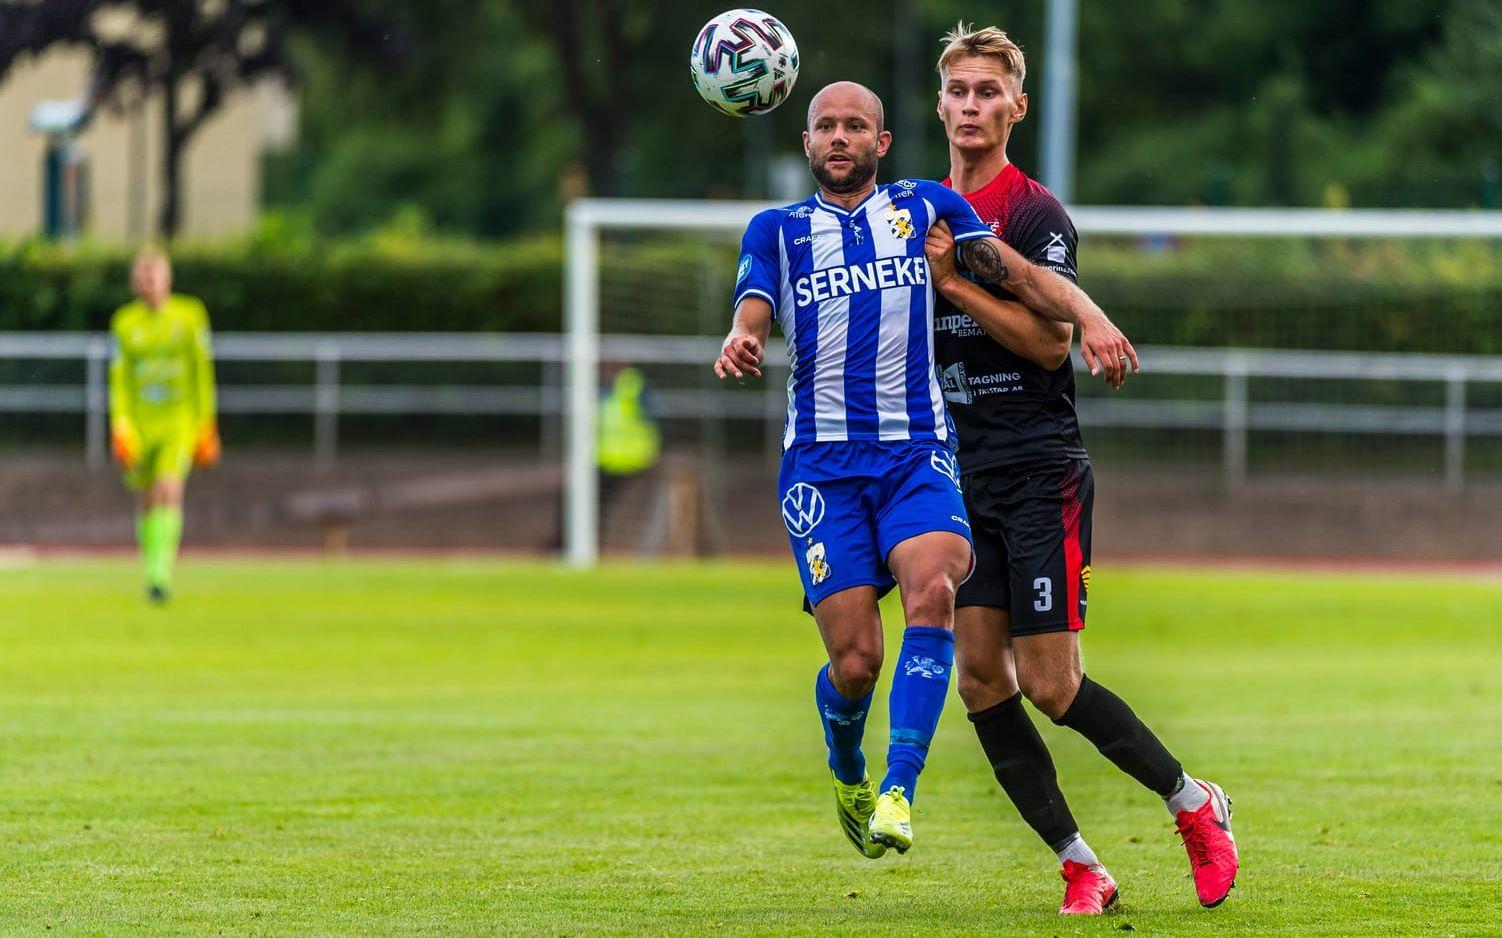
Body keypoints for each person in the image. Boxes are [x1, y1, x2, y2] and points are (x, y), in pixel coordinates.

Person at [713, 81, 1133, 859]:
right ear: (806, 144)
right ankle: (848, 762)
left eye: (857, 126)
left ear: (882, 144)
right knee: (856, 661)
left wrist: (1089, 313)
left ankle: (900, 792)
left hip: (916, 455)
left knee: (935, 587)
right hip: (821, 468)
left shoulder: (924, 207)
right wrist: (742, 338)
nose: (840, 137)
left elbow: (1011, 272)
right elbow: (752, 307)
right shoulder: (777, 228)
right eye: (825, 127)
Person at [924, 24, 1238, 913]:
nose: (973, 106)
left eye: (990, 92)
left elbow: (1046, 340)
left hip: (1038, 468)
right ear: (941, 105)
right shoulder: (918, 214)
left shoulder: (1033, 214)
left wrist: (954, 286)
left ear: (1017, 108)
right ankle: (1081, 864)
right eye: (960, 91)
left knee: (1052, 683)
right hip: (959, 474)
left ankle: (1194, 802)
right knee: (982, 680)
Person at [109, 248, 220, 604]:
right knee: (145, 497)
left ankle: (160, 572)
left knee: (169, 488)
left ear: (167, 278)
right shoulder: (124, 323)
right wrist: (120, 425)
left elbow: (202, 372)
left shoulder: (190, 316)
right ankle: (151, 564)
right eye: (142, 277)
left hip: (179, 421)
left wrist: (206, 424)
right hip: (140, 424)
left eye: (154, 275)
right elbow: (118, 379)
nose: (148, 284)